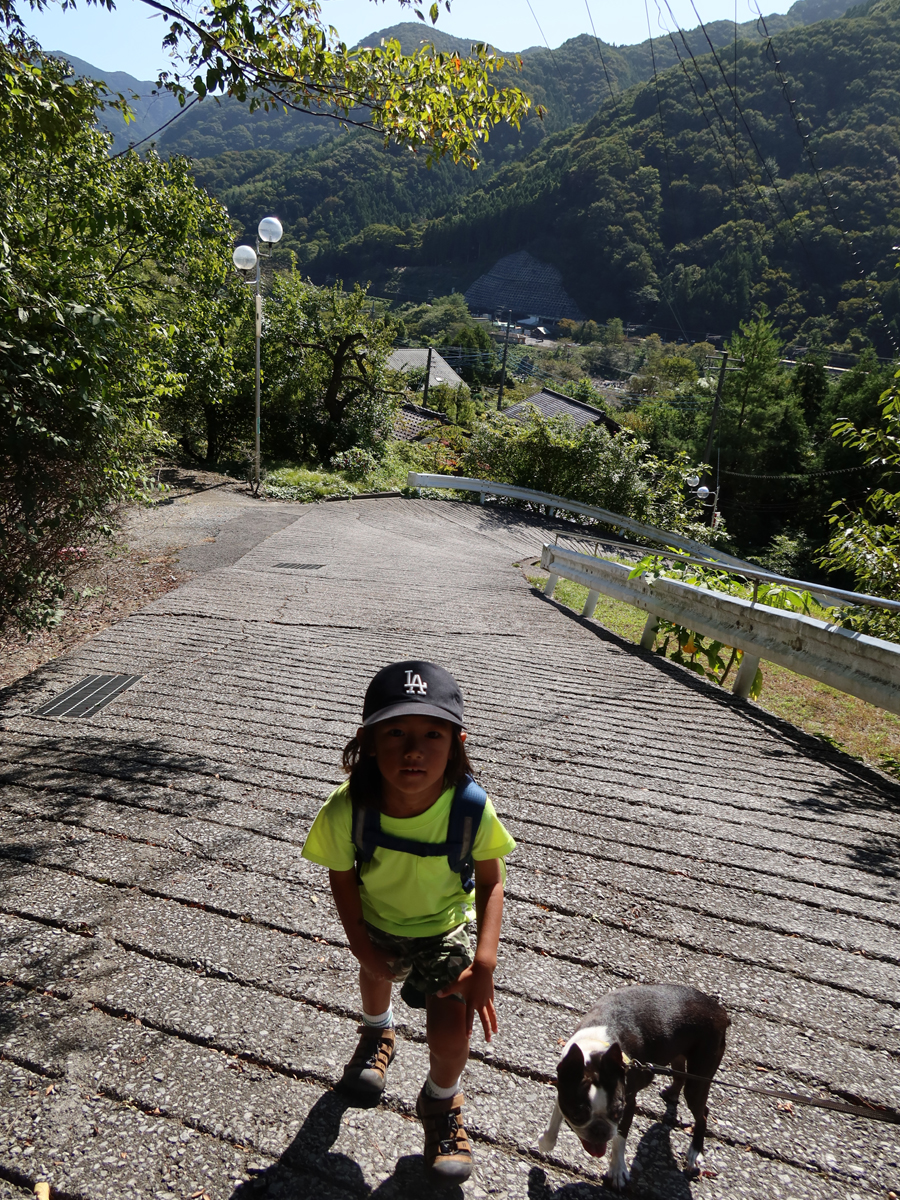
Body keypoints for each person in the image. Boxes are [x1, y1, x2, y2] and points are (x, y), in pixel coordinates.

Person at [301, 659, 515, 1183]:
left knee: (449, 1038)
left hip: (445, 929)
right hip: (378, 919)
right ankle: (378, 1033)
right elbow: (343, 877)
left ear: (456, 741)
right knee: (374, 977)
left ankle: (441, 1103)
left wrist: (485, 962)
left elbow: (491, 882)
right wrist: (360, 945)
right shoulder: (348, 808)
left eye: (431, 733)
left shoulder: (469, 807)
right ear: (369, 740)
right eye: (395, 732)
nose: (414, 749)